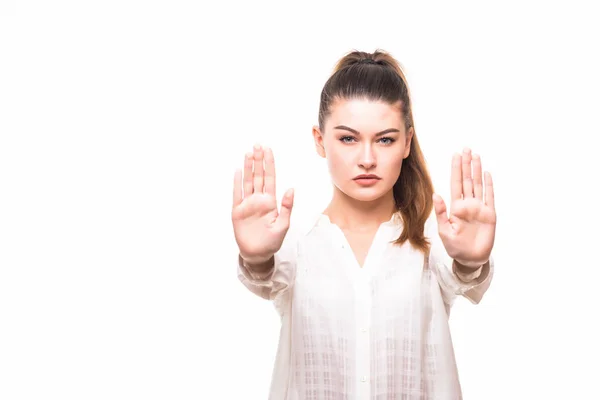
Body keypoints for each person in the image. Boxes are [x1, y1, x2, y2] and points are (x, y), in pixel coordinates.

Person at [231, 49, 496, 400]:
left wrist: (470, 260)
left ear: (406, 142)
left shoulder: (433, 245)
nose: (367, 159)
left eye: (385, 139)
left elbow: (461, 275)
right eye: (348, 138)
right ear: (319, 140)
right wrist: (256, 257)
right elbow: (265, 274)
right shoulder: (296, 248)